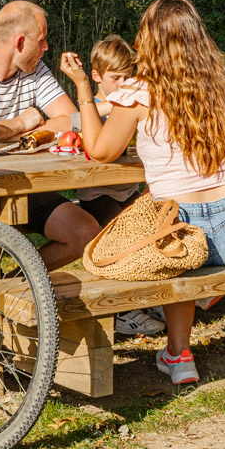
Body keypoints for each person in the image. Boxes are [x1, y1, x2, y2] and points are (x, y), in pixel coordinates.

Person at [61, 0, 225, 385]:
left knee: (176, 249)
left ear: (150, 41)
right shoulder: (221, 84)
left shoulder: (138, 94)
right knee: (186, 253)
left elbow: (100, 150)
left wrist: (84, 94)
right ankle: (194, 318)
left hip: (182, 230)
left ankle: (180, 356)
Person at [0, 1, 98, 269]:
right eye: (42, 41)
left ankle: (22, 290)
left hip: (24, 186)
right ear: (20, 41)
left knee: (84, 233)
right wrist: (21, 124)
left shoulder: (35, 70)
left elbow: (73, 121)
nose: (46, 48)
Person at [76, 36, 159, 339]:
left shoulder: (131, 101)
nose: (123, 83)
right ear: (97, 76)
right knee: (121, 243)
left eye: (128, 76)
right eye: (116, 78)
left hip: (128, 188)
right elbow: (82, 121)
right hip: (98, 194)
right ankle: (122, 311)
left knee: (150, 234)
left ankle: (148, 299)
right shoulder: (95, 109)